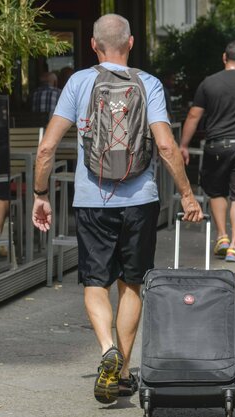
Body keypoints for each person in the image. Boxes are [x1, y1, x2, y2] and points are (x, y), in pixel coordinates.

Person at [31, 14, 203, 405]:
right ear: (130, 44)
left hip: (91, 200)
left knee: (95, 283)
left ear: (93, 45)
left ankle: (107, 348)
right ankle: (123, 372)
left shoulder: (78, 81)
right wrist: (188, 195)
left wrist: (40, 193)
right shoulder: (149, 83)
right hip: (140, 199)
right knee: (133, 283)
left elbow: (46, 148)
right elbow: (165, 146)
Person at [180, 41, 235, 262]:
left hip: (215, 146)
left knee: (216, 192)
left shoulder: (209, 83)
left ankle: (222, 237)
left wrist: (184, 145)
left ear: (224, 57)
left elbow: (194, 116)